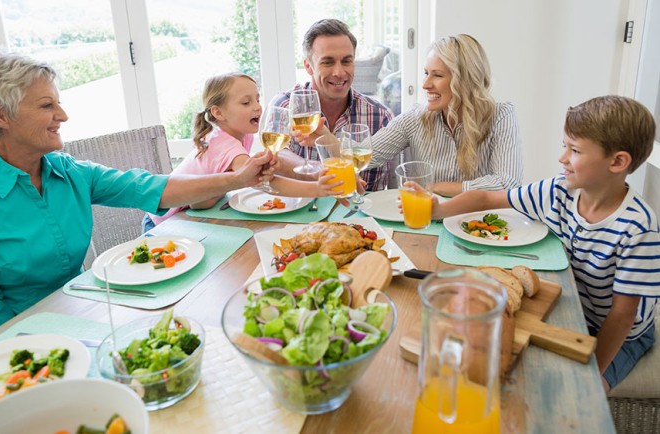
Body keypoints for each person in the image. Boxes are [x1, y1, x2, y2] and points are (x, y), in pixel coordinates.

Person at [0, 50, 274, 345]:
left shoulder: (68, 170)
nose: (63, 115)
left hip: (84, 311)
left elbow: (149, 188)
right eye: (47, 106)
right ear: (0, 115)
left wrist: (237, 179)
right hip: (22, 341)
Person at [431, 95, 660, 392]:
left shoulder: (639, 227)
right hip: (574, 308)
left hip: (623, 335)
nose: (562, 158)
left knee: (588, 391)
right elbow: (488, 197)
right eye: (564, 146)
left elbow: (623, 315)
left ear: (617, 162)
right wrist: (439, 210)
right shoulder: (558, 191)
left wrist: (592, 371)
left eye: (574, 150)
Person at [143, 72, 341, 232]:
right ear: (218, 113)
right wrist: (318, 189)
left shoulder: (240, 134)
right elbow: (264, 183)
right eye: (246, 103)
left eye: (257, 99)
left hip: (196, 211)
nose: (257, 107)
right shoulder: (223, 144)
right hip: (166, 223)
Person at [367, 34, 523, 197]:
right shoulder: (415, 118)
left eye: (438, 75)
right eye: (426, 73)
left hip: (475, 220)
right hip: (426, 220)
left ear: (465, 80)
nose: (425, 84)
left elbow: (508, 184)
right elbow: (365, 154)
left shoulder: (501, 116)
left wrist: (434, 188)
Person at [272, 18, 394, 192]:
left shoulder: (380, 116)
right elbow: (276, 156)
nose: (339, 72)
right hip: (300, 216)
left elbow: (387, 189)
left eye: (346, 61)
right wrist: (321, 170)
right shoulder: (284, 106)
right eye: (327, 62)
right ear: (308, 66)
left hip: (360, 216)